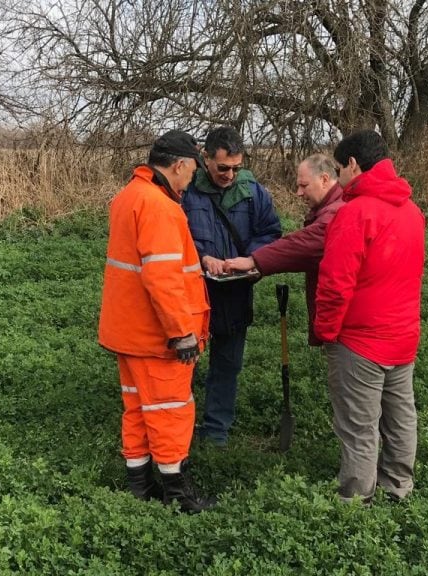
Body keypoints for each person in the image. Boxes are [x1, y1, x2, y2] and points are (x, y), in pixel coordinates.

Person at [98, 130, 215, 513]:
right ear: (179, 165)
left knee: (137, 410)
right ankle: (178, 495)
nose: (191, 180)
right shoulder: (161, 206)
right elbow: (163, 278)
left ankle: (140, 487)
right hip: (157, 338)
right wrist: (182, 333)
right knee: (169, 412)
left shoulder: (128, 196)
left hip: (128, 333)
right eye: (192, 172)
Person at [314, 130, 425, 504]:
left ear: (353, 165)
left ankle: (355, 499)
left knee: (359, 426)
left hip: (360, 341)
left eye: (339, 169)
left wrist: (326, 332)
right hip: (402, 336)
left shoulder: (354, 213)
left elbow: (335, 284)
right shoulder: (412, 211)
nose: (339, 179)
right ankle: (398, 489)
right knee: (400, 417)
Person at [182, 126, 281, 447]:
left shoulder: (254, 192)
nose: (229, 174)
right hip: (193, 291)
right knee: (184, 362)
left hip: (235, 291)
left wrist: (250, 260)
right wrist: (202, 257)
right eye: (222, 167)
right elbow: (172, 238)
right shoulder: (185, 191)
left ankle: (215, 433)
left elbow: (271, 233)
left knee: (227, 364)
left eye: (236, 168)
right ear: (205, 158)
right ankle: (179, 427)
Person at [224, 154, 344, 345]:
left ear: (324, 179)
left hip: (346, 329)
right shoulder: (333, 207)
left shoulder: (335, 213)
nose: (298, 192)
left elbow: (302, 244)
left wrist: (254, 261)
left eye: (304, 186)